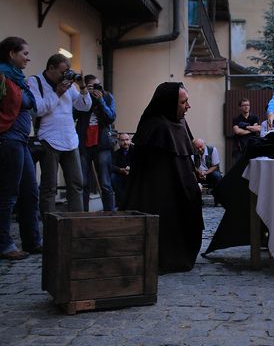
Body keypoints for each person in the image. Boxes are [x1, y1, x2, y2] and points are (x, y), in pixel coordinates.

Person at [122, 82, 203, 274]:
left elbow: (183, 157)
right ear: (168, 103)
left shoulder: (180, 122)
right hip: (159, 194)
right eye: (183, 102)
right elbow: (157, 172)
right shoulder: (156, 126)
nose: (188, 106)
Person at [28, 54, 91, 214]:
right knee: (49, 187)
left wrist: (82, 87)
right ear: (51, 68)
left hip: (70, 140)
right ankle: (49, 225)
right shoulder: (35, 81)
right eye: (62, 72)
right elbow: (38, 109)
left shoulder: (68, 85)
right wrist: (57, 93)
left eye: (67, 72)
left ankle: (77, 223)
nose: (65, 76)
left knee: (77, 184)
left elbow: (84, 107)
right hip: (48, 139)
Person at [0, 36, 43, 260]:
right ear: (11, 54)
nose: (28, 58)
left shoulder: (18, 78)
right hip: (8, 139)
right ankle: (4, 245)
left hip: (21, 140)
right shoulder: (2, 75)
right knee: (8, 194)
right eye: (25, 53)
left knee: (30, 192)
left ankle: (33, 241)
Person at [75, 75, 116, 212]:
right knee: (83, 183)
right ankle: (83, 215)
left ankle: (110, 215)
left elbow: (111, 117)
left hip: (102, 143)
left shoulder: (107, 97)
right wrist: (84, 96)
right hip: (83, 143)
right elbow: (73, 114)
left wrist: (101, 101)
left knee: (105, 183)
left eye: (98, 85)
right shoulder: (80, 98)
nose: (96, 88)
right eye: (92, 86)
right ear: (85, 86)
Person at [232, 98, 260, 163]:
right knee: (239, 167)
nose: (246, 107)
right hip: (240, 148)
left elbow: (258, 128)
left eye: (248, 105)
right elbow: (237, 131)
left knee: (253, 166)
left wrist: (245, 127)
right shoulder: (236, 119)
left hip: (253, 147)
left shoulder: (254, 117)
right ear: (240, 107)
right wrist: (251, 130)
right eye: (244, 105)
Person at [111, 132, 133, 209]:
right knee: (113, 177)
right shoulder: (116, 153)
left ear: (130, 140)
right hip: (120, 174)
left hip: (133, 174)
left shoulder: (135, 151)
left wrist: (130, 168)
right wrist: (120, 170)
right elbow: (111, 166)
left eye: (127, 140)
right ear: (119, 141)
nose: (125, 142)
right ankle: (121, 203)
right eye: (122, 140)